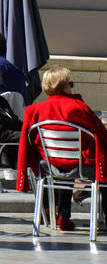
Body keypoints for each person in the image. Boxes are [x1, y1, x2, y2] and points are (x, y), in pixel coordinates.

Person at [16, 66, 107, 232]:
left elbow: (26, 142)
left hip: (50, 165)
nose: (71, 87)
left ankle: (63, 215)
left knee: (65, 161)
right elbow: (100, 134)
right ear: (64, 86)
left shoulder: (34, 111)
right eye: (70, 83)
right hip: (79, 165)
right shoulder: (79, 107)